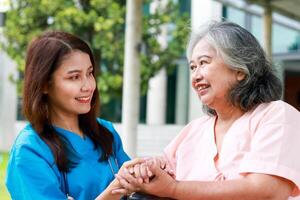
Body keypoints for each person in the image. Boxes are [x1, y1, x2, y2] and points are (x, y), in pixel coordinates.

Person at [118, 21, 300, 200]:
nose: (196, 76)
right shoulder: (193, 130)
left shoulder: (277, 115)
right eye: (192, 67)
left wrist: (174, 189)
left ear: (240, 70)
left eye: (203, 63)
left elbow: (266, 191)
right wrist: (143, 172)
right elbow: (163, 172)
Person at [5, 31, 140, 200]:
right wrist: (115, 191)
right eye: (74, 77)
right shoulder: (29, 151)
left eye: (89, 73)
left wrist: (147, 172)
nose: (88, 86)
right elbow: (122, 187)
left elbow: (136, 189)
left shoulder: (106, 132)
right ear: (45, 84)